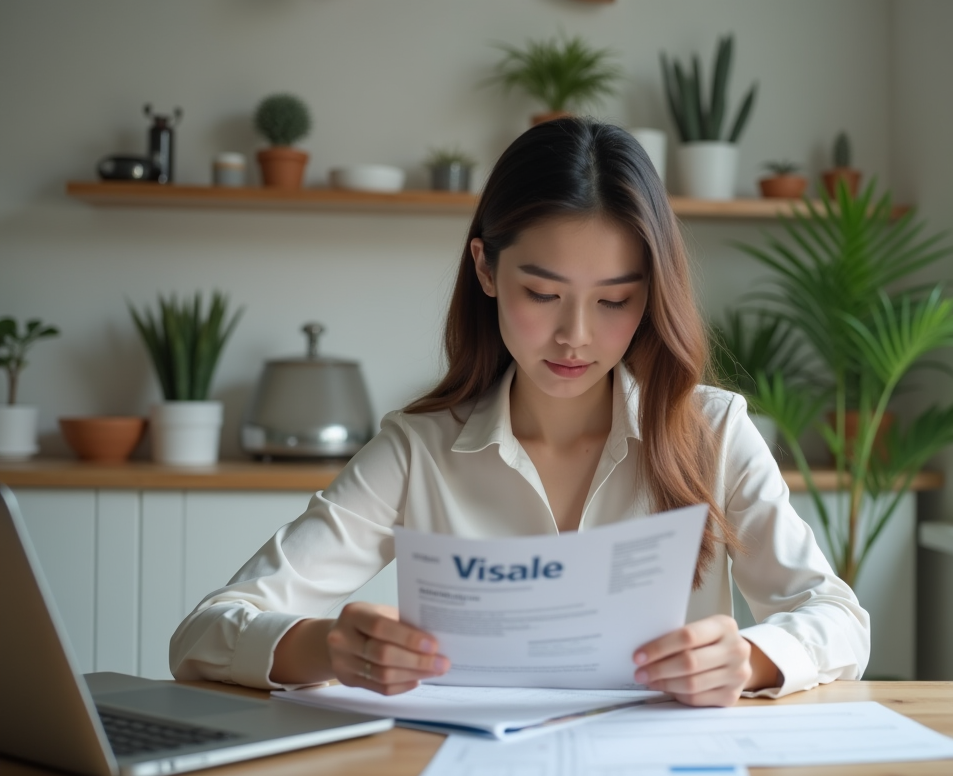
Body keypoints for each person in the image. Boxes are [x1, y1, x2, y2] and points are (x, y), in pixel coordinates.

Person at [171, 118, 869, 707]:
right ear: (485, 269)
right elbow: (203, 634)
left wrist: (747, 658)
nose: (576, 336)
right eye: (541, 293)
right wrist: (327, 646)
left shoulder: (710, 432)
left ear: (650, 295)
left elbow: (839, 619)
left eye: (614, 301)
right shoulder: (418, 450)